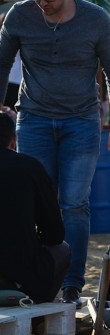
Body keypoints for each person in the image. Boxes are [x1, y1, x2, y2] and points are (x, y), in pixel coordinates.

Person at [0, 0, 110, 308]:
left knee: (74, 204)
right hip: (35, 118)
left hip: (81, 121)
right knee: (31, 199)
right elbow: (2, 61)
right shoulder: (20, 16)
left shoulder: (95, 19)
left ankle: (71, 283)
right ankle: (32, 277)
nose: (42, 5)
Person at [0, 111, 70, 303]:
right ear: (13, 140)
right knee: (62, 250)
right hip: (20, 276)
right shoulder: (30, 167)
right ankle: (38, 312)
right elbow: (55, 234)